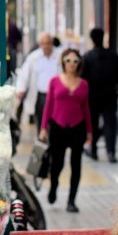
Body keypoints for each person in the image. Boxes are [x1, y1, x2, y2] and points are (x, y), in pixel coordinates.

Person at [39, 48, 92, 213]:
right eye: (68, 60)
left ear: (79, 64)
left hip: (78, 128)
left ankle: (71, 201)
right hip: (57, 127)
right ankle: (53, 186)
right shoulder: (54, 81)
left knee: (76, 165)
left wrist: (90, 132)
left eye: (75, 61)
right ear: (63, 62)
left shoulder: (84, 84)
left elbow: (86, 108)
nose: (71, 64)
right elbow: (48, 106)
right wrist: (43, 128)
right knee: (57, 164)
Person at [81, 27, 118, 163]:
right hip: (110, 95)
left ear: (92, 39)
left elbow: (82, 78)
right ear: (103, 38)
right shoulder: (113, 56)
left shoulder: (87, 57)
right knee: (110, 124)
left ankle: (94, 151)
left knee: (93, 124)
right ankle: (111, 152)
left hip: (92, 96)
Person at [15, 32, 62, 135]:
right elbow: (24, 75)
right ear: (40, 44)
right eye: (43, 43)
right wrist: (20, 89)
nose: (46, 46)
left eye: (48, 43)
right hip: (41, 97)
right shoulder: (33, 57)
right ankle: (43, 148)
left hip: (57, 96)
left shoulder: (60, 55)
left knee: (56, 124)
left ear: (52, 43)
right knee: (41, 125)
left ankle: (53, 148)